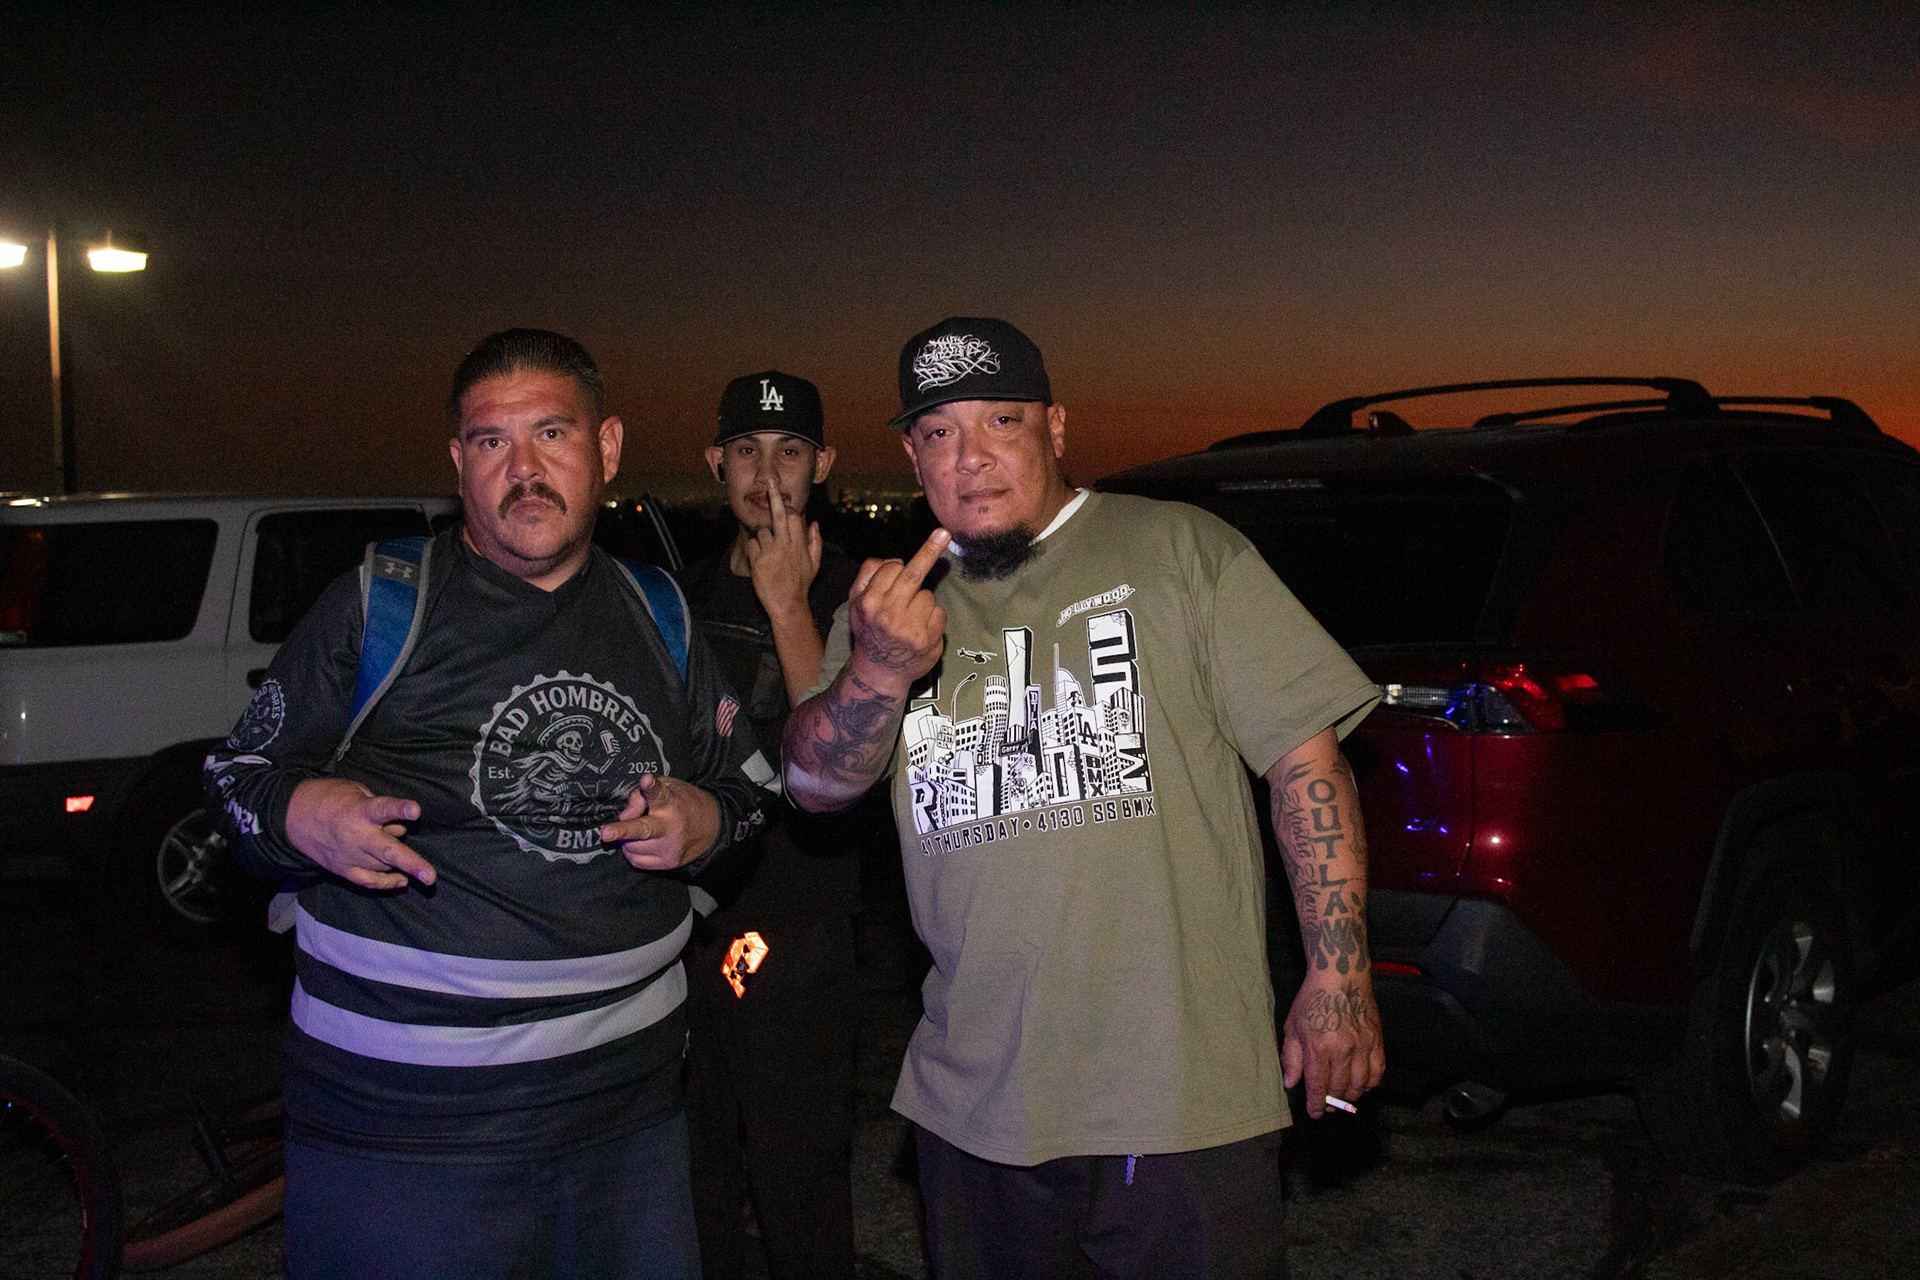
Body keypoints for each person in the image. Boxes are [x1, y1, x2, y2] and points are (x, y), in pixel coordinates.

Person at [783, 317, 1386, 1279]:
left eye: (1002, 421)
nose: (970, 457)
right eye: (939, 432)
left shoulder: (1181, 549)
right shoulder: (890, 609)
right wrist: (878, 670)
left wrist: (1339, 977)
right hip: (973, 1108)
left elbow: (1307, 766)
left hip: (1179, 1101)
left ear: (1055, 427)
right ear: (911, 456)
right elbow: (813, 788)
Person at [203, 329, 775, 1280]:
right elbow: (235, 778)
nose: (524, 470)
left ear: (607, 448)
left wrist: (707, 822)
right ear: (457, 462)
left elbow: (751, 794)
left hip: (629, 1114)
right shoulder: (380, 603)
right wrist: (303, 815)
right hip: (400, 1128)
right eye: (490, 442)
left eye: (552, 433)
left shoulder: (659, 610)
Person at [676, 370, 866, 1278]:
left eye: (789, 451)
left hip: (799, 923)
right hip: (682, 924)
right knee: (692, 1163)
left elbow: (838, 767)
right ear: (716, 463)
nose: (766, 474)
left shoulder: (863, 596)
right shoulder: (676, 598)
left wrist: (790, 602)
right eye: (745, 451)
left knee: (799, 1172)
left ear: (821, 464)